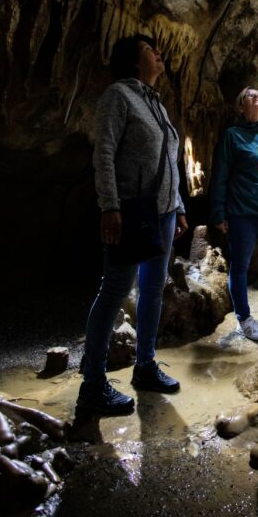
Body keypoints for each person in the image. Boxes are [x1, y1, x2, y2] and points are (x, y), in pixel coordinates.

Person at [76, 34, 188, 418]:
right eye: (149, 50)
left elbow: (168, 161)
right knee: (115, 291)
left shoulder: (157, 104)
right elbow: (104, 153)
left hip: (163, 212)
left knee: (153, 289)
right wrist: (109, 206)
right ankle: (92, 386)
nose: (159, 53)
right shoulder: (117, 97)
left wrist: (179, 205)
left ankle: (145, 366)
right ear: (133, 61)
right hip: (131, 208)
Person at [210, 86, 258, 342]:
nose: (257, 97)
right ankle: (245, 320)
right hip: (244, 212)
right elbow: (220, 175)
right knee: (240, 266)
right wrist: (219, 211)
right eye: (250, 96)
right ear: (241, 107)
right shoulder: (233, 136)